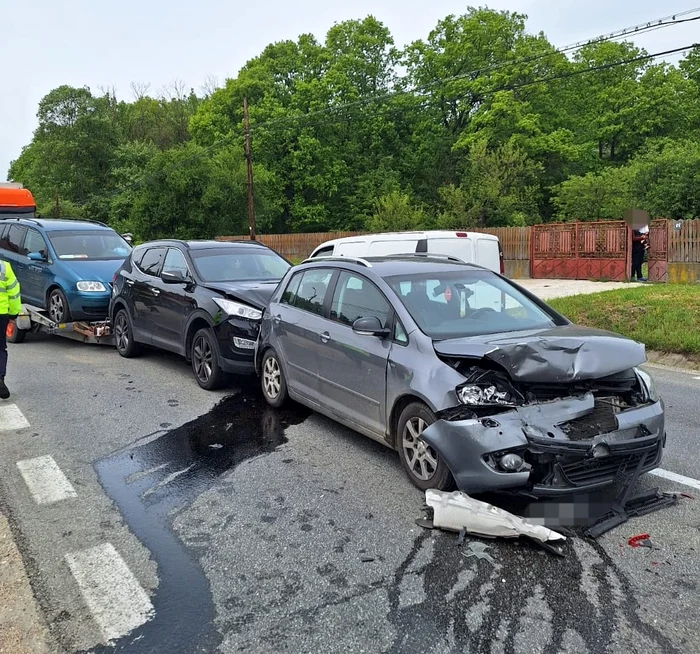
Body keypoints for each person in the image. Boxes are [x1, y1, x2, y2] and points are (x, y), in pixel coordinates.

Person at [0, 259, 22, 399]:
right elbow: (14, 293)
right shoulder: (4, 267)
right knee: (0, 348)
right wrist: (13, 314)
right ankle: (0, 378)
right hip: (1, 314)